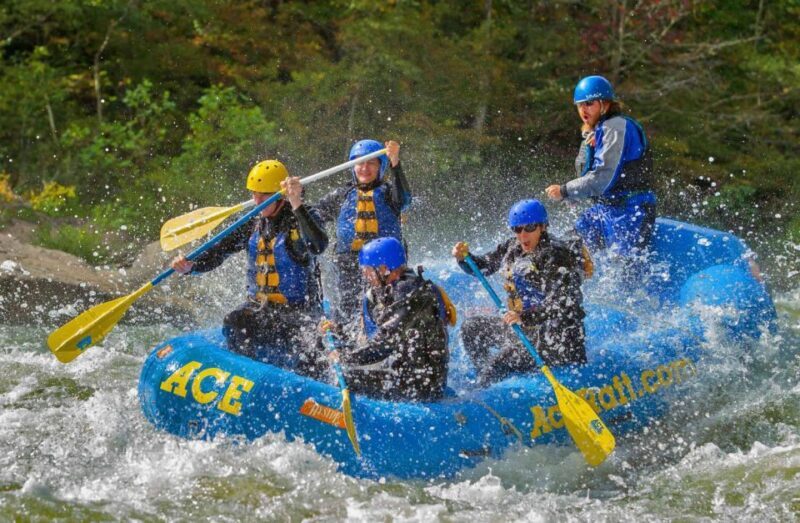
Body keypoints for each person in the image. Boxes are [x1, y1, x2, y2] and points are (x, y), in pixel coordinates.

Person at [171, 160, 328, 375]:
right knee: (235, 320)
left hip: (299, 313)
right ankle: (243, 377)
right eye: (254, 194)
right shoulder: (252, 223)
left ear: (279, 194)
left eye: (263, 196)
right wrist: (191, 266)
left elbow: (318, 245)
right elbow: (219, 251)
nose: (256, 201)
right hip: (262, 309)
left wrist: (297, 203)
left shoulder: (302, 216)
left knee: (310, 350)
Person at [452, 199, 588, 386]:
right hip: (526, 330)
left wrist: (524, 317)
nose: (523, 235)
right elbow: (483, 267)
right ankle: (484, 379)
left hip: (557, 340)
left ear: (542, 227)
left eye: (529, 228)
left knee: (498, 363)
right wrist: (464, 259)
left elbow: (563, 304)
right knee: (471, 328)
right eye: (517, 229)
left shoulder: (557, 255)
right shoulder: (512, 247)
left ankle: (486, 383)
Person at [320, 237, 455, 402]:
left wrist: (345, 357)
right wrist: (339, 331)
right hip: (401, 375)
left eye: (368, 270)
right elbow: (371, 332)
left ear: (384, 269)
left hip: (421, 387)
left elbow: (384, 343)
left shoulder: (413, 294)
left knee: (345, 378)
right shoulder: (388, 291)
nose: (365, 275)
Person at [545, 75, 656, 256]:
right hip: (605, 210)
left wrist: (565, 191)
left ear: (605, 104)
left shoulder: (616, 127)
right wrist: (574, 196)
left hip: (631, 210)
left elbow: (603, 177)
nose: (583, 110)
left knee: (624, 270)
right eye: (580, 105)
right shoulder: (598, 130)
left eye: (589, 104)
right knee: (566, 251)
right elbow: (588, 172)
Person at [316, 139, 411, 322]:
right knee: (348, 308)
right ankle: (345, 341)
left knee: (387, 304)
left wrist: (395, 164)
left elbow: (404, 200)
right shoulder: (342, 195)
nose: (364, 168)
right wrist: (295, 199)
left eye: (371, 163)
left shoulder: (390, 193)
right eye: (360, 163)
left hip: (385, 262)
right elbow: (314, 215)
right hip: (349, 262)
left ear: (381, 167)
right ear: (352, 166)